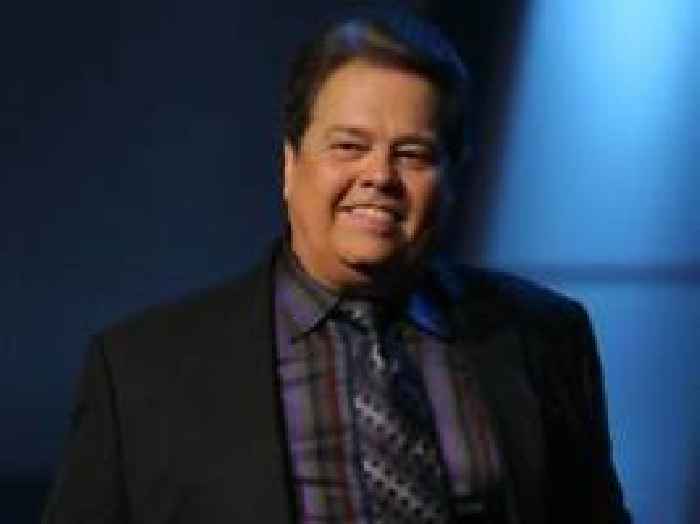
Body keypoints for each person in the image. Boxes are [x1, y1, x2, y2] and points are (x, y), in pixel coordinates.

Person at [43, 8, 631, 524]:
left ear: (452, 178)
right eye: (349, 146)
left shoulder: (545, 338)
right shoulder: (141, 372)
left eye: (413, 153)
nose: (379, 176)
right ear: (290, 164)